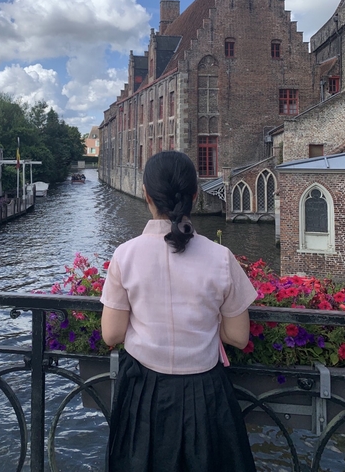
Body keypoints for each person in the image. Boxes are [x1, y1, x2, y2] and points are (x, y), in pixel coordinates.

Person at [100, 151, 257, 472]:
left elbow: (111, 334)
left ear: (146, 194)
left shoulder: (125, 255)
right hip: (205, 393)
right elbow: (239, 337)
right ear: (194, 196)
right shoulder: (221, 257)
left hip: (144, 393)